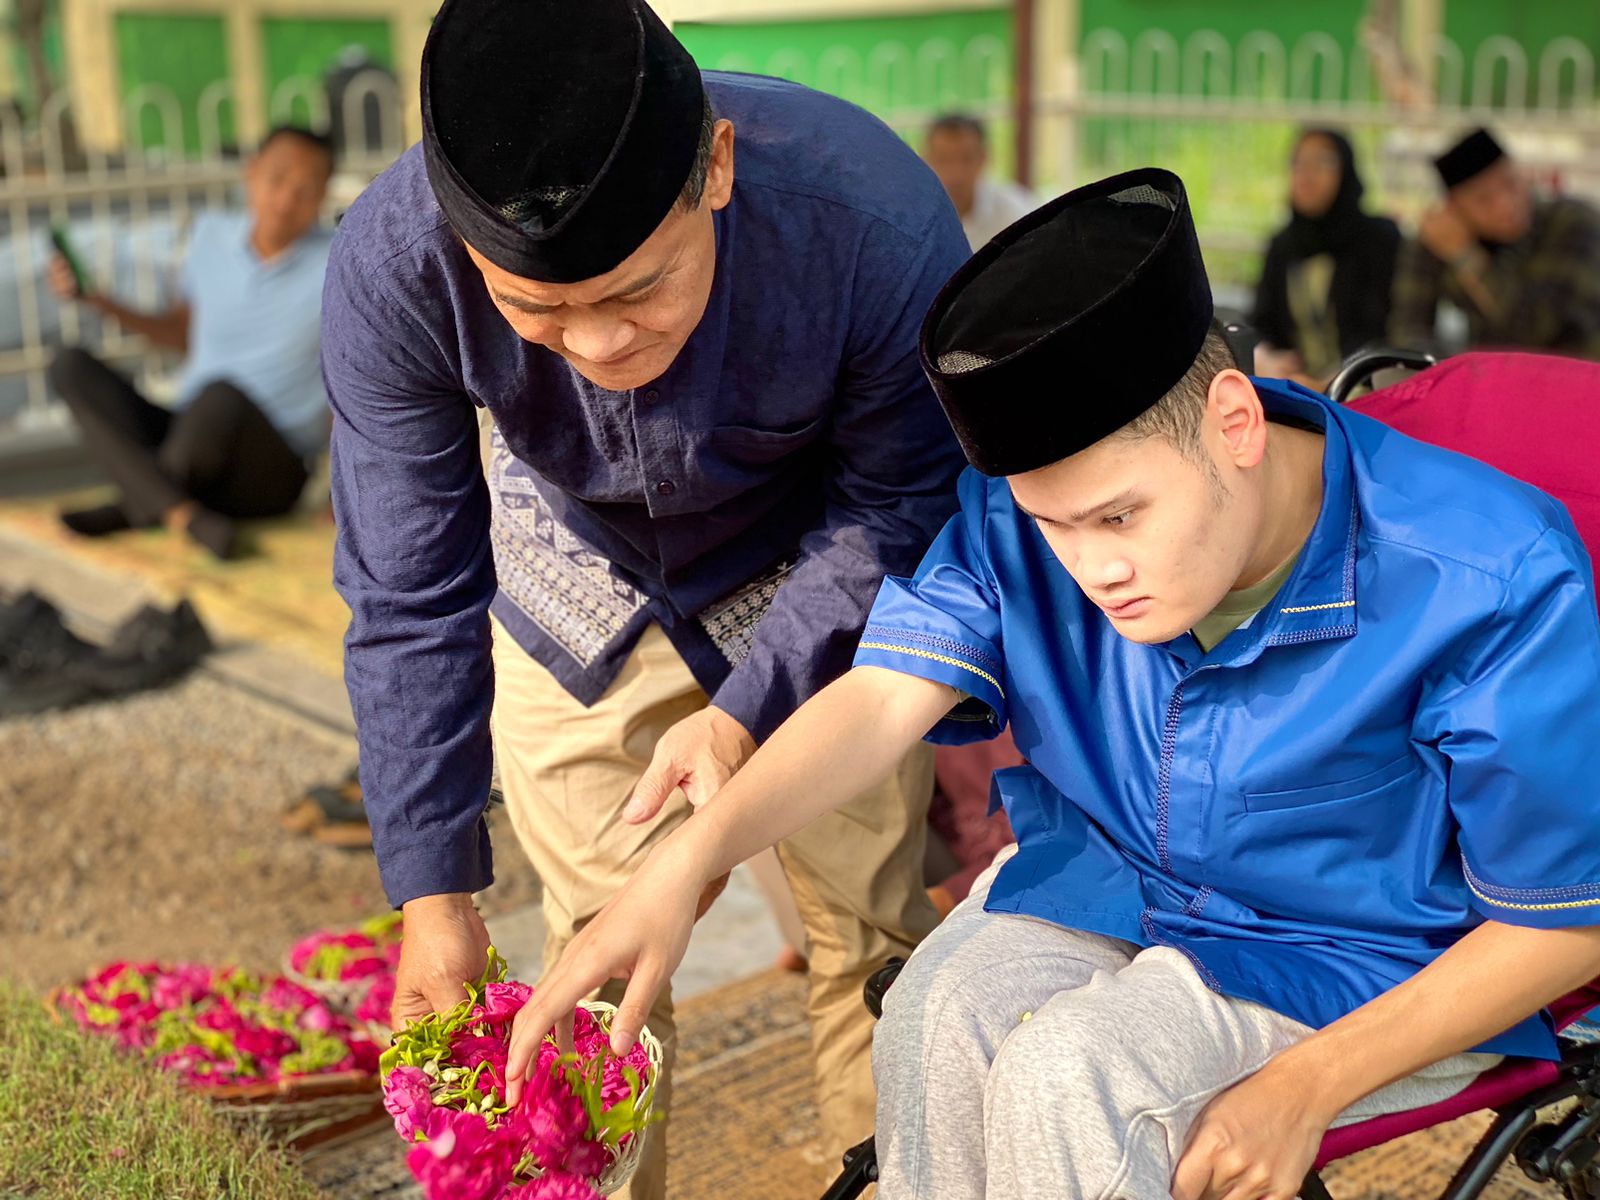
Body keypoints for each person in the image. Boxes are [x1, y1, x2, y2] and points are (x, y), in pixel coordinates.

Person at [508, 168, 1600, 1200]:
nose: (1093, 567)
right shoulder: (1020, 517)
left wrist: (1304, 1086)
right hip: (1118, 877)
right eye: (1050, 524)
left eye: (1120, 516)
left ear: (1234, 422)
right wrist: (688, 861)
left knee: (1073, 1073)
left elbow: (1569, 922)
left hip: (1365, 952)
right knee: (936, 1008)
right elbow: (885, 694)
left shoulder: (1485, 573)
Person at [321, 0, 968, 1193]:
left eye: (636, 289)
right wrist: (436, 893)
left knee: (870, 932)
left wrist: (743, 715)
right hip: (568, 576)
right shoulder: (390, 268)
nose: (602, 344)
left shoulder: (869, 224)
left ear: (713, 167)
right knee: (597, 964)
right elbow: (408, 591)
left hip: (812, 569)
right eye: (536, 313)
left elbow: (896, 510)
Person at [46, 126, 336, 560]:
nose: (286, 200)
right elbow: (183, 334)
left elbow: (356, 381)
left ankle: (140, 504)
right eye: (277, 179)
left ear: (323, 196)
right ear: (250, 172)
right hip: (193, 440)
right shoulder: (209, 236)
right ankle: (179, 511)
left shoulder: (340, 262)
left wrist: (344, 493)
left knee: (221, 397)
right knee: (69, 365)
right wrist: (100, 302)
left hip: (268, 468)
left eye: (306, 189)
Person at [1390, 127, 1600, 360]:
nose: (1505, 205)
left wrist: (1465, 255)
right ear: (1455, 208)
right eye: (1483, 199)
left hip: (1580, 375)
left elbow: (1537, 330)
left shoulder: (1572, 222)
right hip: (1492, 380)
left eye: (1510, 184)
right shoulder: (1441, 235)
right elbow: (1408, 331)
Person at [1251, 129, 1400, 387]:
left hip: (1365, 386)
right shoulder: (1284, 245)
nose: (1307, 174)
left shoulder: (1378, 240)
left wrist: (1336, 379)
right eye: (1299, 163)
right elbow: (1262, 321)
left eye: (1323, 162)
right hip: (1296, 386)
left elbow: (1383, 328)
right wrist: (1269, 358)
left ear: (1346, 171)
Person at [924, 113, 1036, 252]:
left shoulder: (1016, 215)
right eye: (943, 160)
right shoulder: (911, 216)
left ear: (984, 158)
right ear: (925, 160)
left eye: (967, 159)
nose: (955, 174)